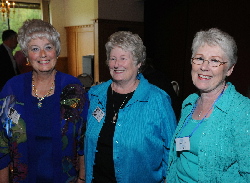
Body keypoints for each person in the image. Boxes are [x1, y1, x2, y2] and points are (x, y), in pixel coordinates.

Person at [0, 19, 88, 183]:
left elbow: (84, 140)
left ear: (56, 51)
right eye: (35, 49)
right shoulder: (12, 89)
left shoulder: (73, 88)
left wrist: (82, 179)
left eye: (48, 47)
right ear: (26, 54)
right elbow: (1, 145)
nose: (43, 54)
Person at [84, 31, 177, 183]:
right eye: (112, 58)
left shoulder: (157, 100)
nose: (116, 64)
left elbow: (172, 149)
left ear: (138, 63)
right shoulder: (95, 95)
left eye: (123, 58)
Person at [167, 28, 250, 182]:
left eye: (215, 61)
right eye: (199, 58)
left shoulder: (243, 111)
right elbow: (178, 159)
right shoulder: (189, 103)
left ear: (230, 69)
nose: (204, 67)